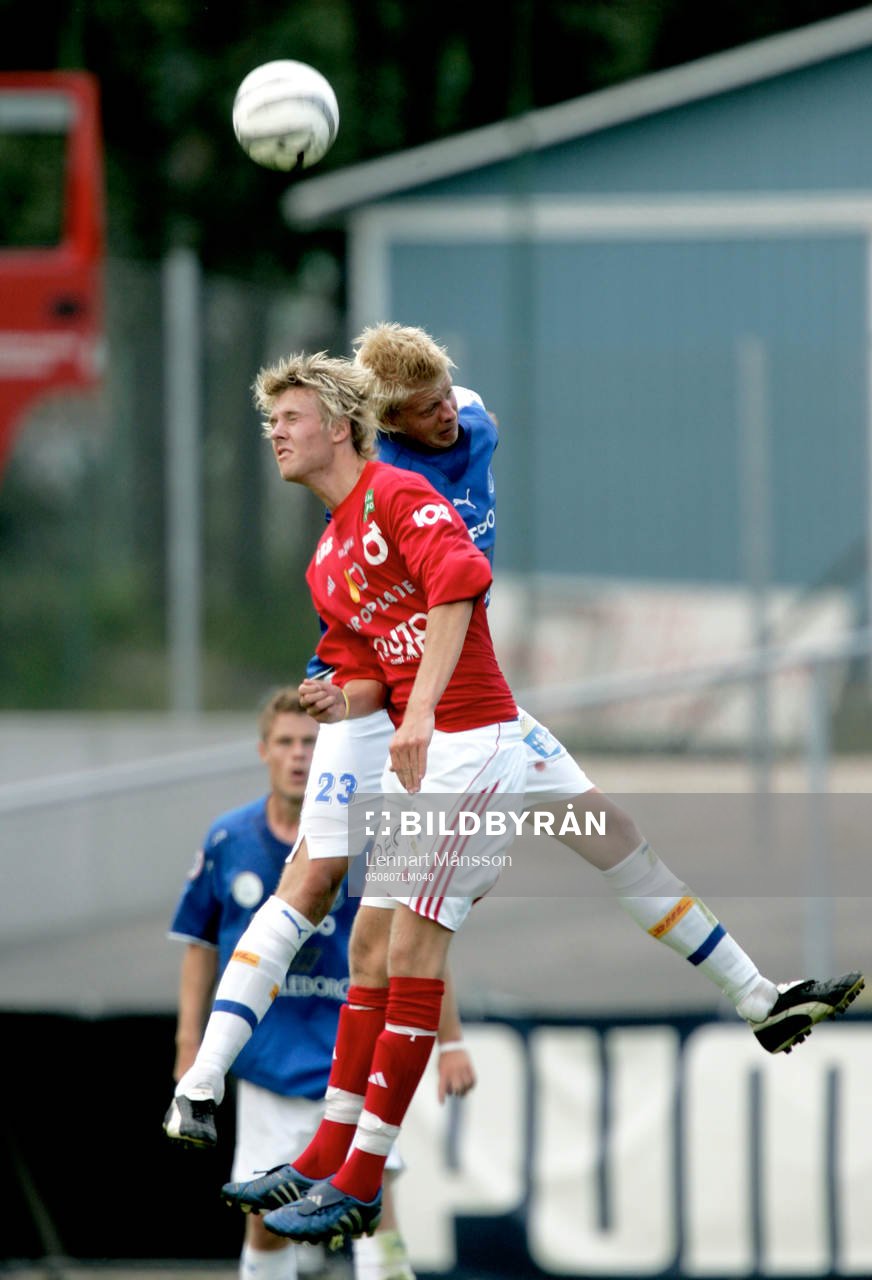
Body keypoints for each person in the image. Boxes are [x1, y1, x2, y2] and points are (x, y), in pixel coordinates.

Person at [186, 351, 860, 1252]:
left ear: (347, 423)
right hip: (454, 742)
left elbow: (462, 579)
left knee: (450, 922)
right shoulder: (342, 539)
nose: (275, 431)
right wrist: (338, 695)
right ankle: (329, 1154)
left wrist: (419, 708)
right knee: (377, 936)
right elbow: (369, 661)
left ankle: (354, 1172)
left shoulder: (421, 471)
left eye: (292, 416)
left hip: (476, 741)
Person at [168, 687, 475, 1280]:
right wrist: (190, 1049)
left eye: (311, 741)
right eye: (286, 742)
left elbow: (418, 946)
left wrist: (452, 1040)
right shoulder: (229, 840)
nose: (299, 755)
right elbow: (199, 948)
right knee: (265, 1215)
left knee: (370, 1207)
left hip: (353, 1059)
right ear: (264, 751)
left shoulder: (368, 835)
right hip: (270, 1066)